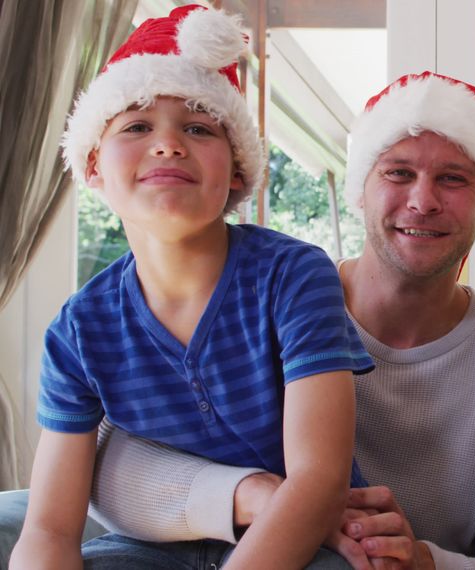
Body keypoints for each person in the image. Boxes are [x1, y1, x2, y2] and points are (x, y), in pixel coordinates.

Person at [66, 71, 475, 570]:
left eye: (453, 178)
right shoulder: (272, 295)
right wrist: (257, 495)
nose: (423, 201)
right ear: (359, 191)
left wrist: (425, 560)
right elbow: (101, 464)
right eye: (398, 173)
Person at [10, 5, 373, 569]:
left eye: (199, 127)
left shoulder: (294, 275)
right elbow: (51, 528)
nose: (168, 144)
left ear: (236, 170)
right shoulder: (78, 330)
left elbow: (318, 478)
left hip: (299, 541)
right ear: (94, 166)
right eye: (135, 126)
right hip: (150, 545)